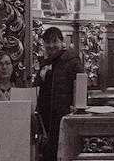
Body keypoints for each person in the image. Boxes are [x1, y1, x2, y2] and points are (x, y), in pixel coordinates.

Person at [35, 27, 85, 161]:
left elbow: (81, 86)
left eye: (54, 41)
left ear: (62, 42)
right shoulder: (46, 62)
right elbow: (38, 88)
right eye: (47, 42)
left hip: (64, 116)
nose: (51, 45)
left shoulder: (72, 61)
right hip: (47, 116)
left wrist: (76, 107)